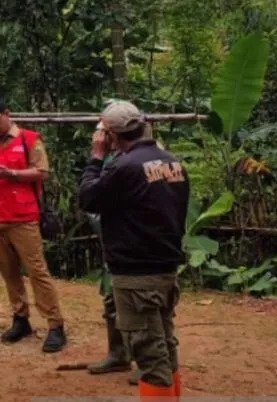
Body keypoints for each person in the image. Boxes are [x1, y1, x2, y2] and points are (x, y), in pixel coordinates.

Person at [78, 101, 189, 400]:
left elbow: (88, 197)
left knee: (148, 351)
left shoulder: (125, 168)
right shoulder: (171, 161)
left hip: (137, 274)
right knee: (164, 343)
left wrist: (96, 157)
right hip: (165, 269)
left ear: (111, 135)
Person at [0, 96, 66, 353]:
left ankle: (55, 324)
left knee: (37, 271)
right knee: (8, 272)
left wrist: (12, 174)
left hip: (23, 217)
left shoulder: (29, 139)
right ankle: (20, 318)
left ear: (7, 114)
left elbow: (43, 172)